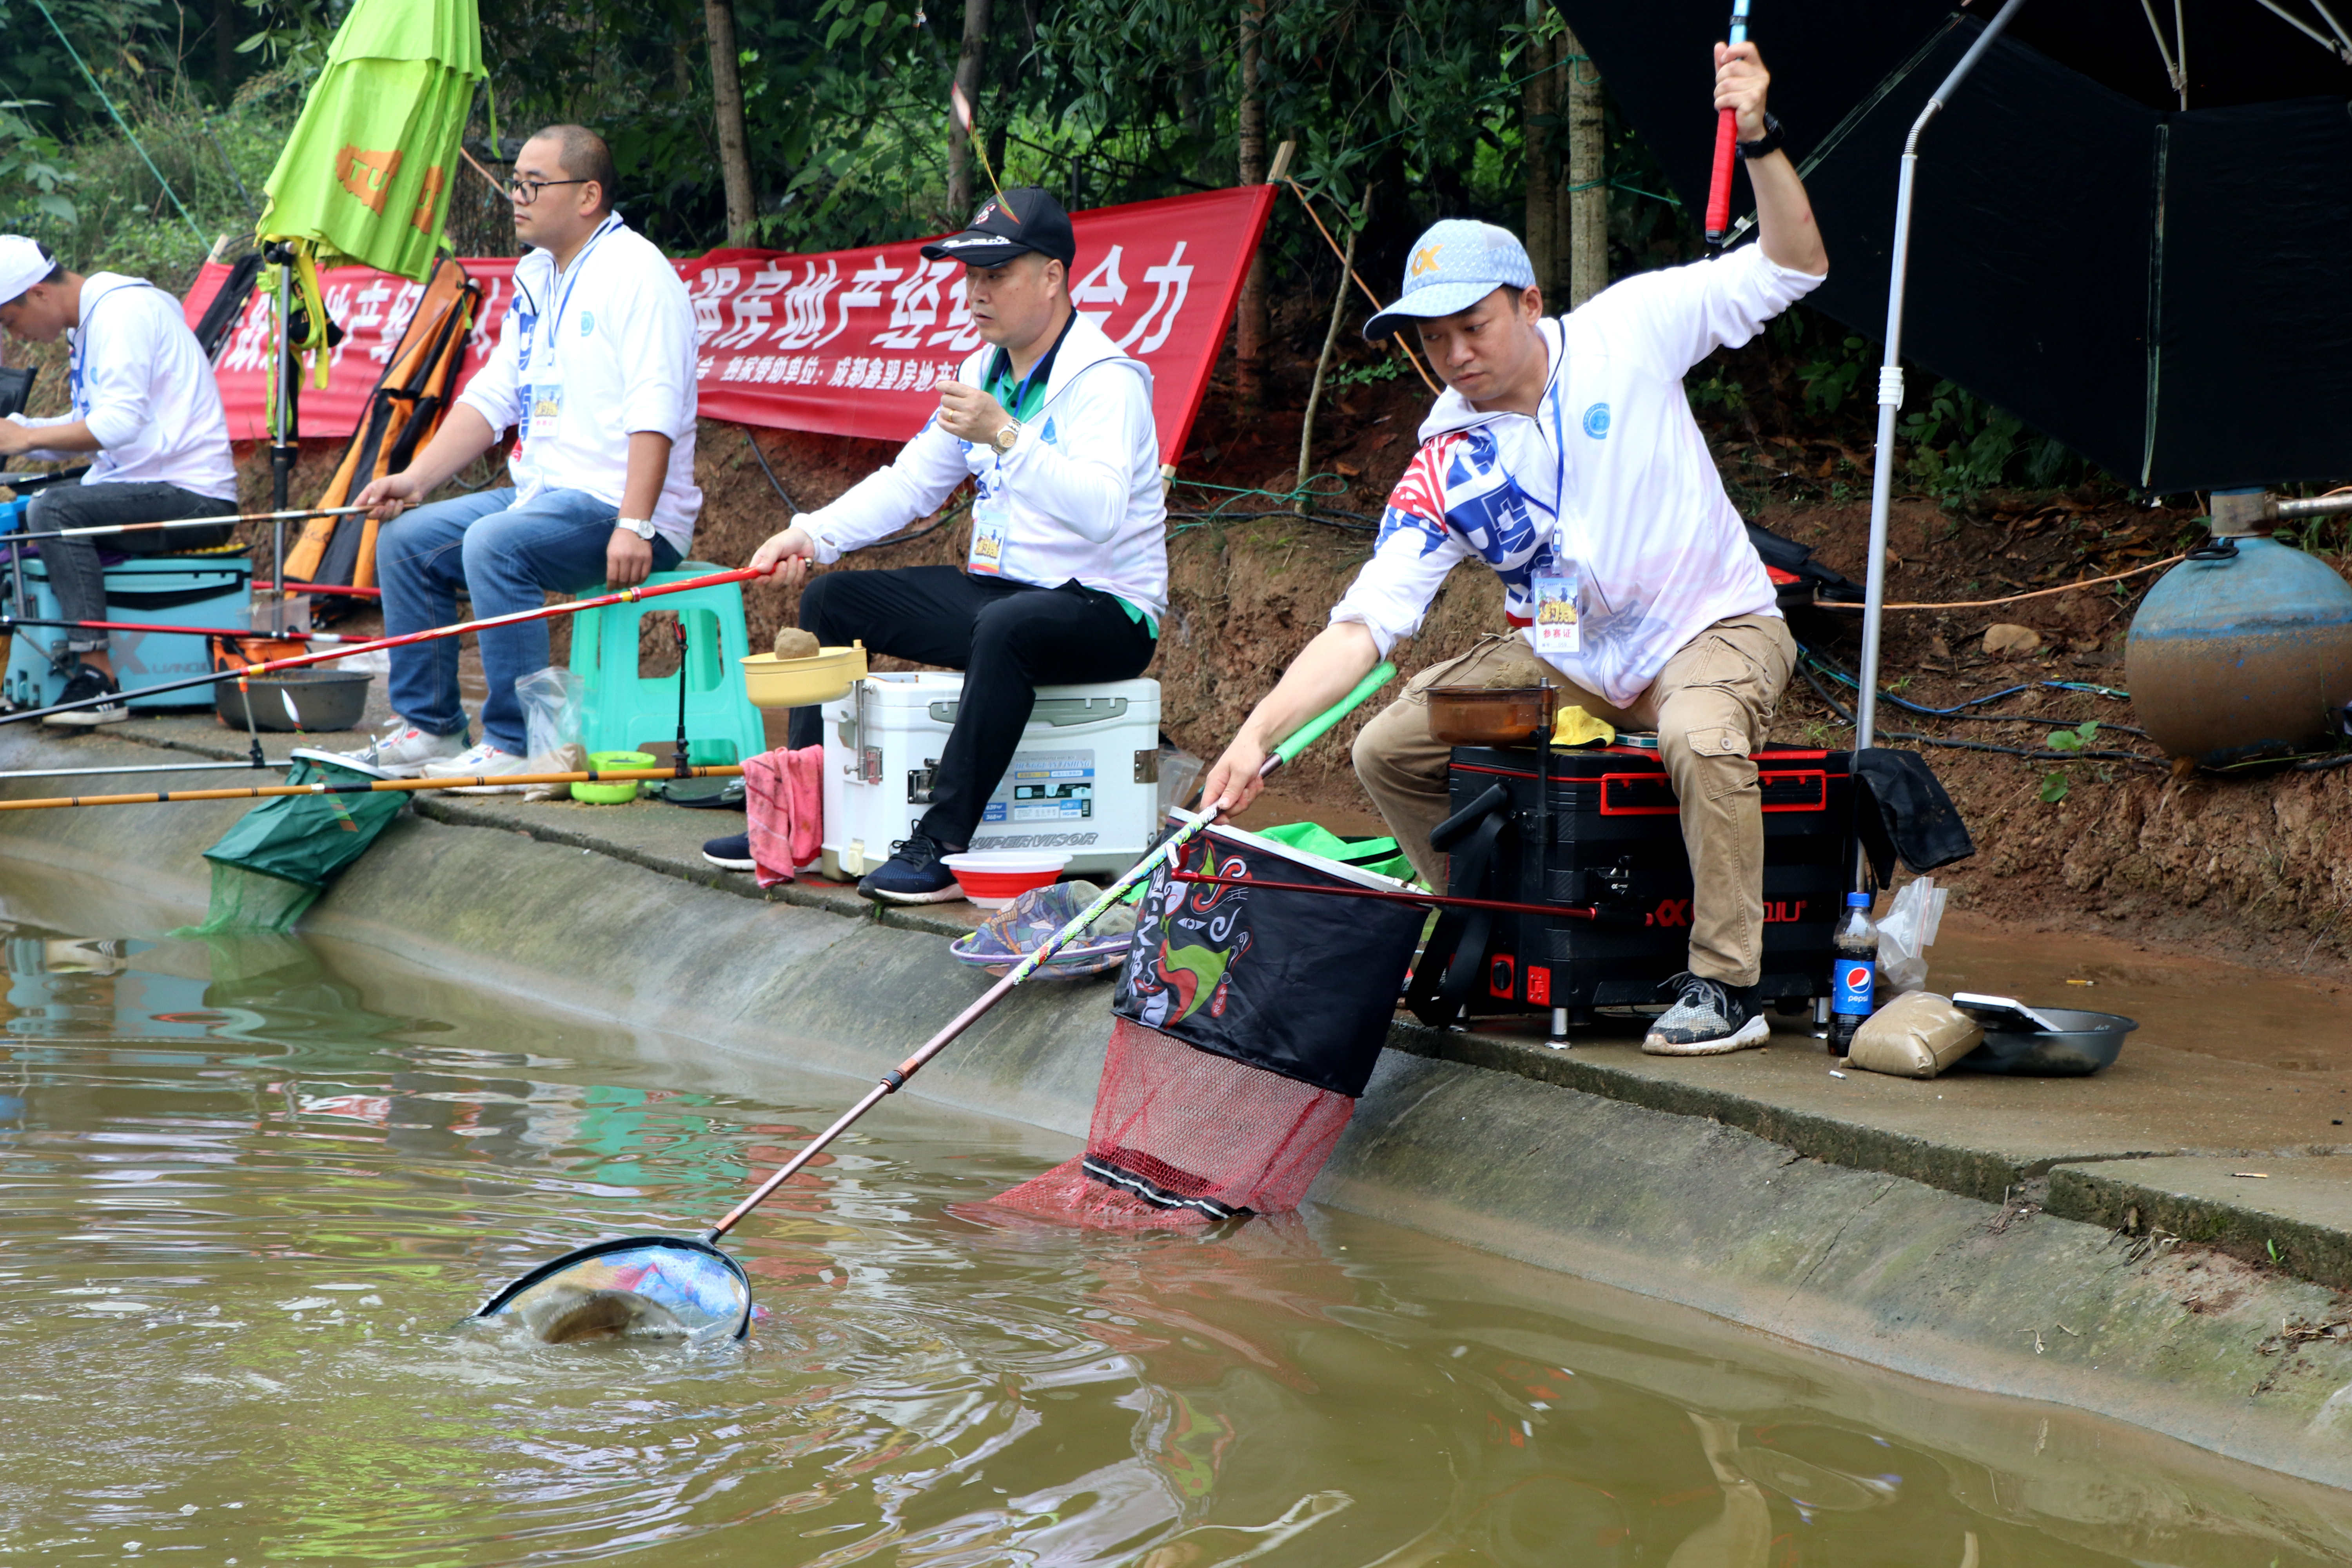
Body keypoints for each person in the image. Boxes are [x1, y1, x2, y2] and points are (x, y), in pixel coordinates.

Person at [1201, 41, 1828, 1056]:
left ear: (1531, 303)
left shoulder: (1633, 332)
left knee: (1702, 736)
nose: (1457, 356)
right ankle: (1487, 938)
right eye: (1435, 338)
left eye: (1476, 326)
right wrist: (1257, 734)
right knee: (1387, 746)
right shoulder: (1445, 461)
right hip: (1571, 656)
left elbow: (1796, 263)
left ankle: (1728, 984)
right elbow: (1366, 624)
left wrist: (1756, 134)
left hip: (1712, 624)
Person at [713, 186, 1165, 902]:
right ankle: (802, 813)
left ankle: (944, 841)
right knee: (834, 599)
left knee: (1009, 626)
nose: (976, 293)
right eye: (970, 276)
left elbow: (1104, 514)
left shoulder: (1106, 382)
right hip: (1004, 599)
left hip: (1106, 612)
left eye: (996, 275)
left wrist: (1005, 437)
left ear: (1052, 277)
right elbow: (911, 484)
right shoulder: (985, 372)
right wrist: (810, 533)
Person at [340, 123, 700, 785]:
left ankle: (518, 743)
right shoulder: (540, 277)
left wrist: (634, 522)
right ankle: (433, 729)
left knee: (493, 544)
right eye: (515, 183)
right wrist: (415, 479)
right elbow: (493, 397)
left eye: (535, 184)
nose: (517, 196)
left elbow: (658, 409)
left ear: (589, 194)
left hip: (620, 508)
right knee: (407, 540)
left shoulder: (637, 275)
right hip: (545, 496)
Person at [0, 236, 238, 725]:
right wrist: (21, 434)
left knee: (54, 509)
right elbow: (97, 428)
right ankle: (21, 675)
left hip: (194, 497)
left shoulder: (122, 313)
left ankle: (99, 680)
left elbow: (117, 426)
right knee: (24, 512)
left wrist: (24, 440)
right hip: (143, 486)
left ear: (39, 292)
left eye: (11, 321)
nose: (16, 337)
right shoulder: (93, 320)